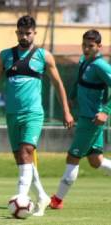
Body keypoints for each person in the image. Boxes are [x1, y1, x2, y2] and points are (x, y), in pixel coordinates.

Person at [0, 15, 74, 216]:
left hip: (33, 113)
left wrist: (66, 111)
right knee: (22, 159)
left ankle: (21, 198)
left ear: (34, 33)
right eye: (21, 33)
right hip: (12, 115)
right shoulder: (5, 55)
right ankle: (42, 196)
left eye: (28, 33)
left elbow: (58, 84)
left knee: (26, 151)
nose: (24, 36)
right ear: (16, 33)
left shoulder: (44, 56)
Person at [50, 29, 111, 209]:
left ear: (99, 47)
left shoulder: (101, 66)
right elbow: (79, 82)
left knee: (72, 156)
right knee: (95, 161)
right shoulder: (84, 61)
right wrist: (71, 96)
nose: (86, 49)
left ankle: (57, 200)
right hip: (85, 118)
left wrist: (106, 111)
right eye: (84, 45)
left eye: (90, 46)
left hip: (92, 120)